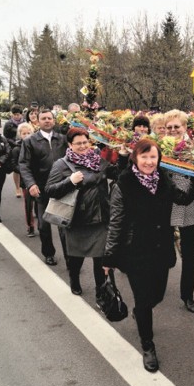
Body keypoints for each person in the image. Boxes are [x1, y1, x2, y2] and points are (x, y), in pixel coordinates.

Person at [103, 139, 194, 373]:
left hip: (161, 248)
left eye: (153, 157)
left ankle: (140, 312)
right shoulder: (123, 184)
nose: (148, 162)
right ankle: (148, 345)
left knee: (158, 295)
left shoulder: (163, 178)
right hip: (135, 251)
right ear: (135, 158)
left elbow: (182, 198)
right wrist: (109, 256)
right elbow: (116, 222)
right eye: (144, 157)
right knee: (144, 300)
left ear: (159, 159)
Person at [46, 128, 128, 298]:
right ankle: (74, 279)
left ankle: (102, 293)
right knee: (76, 259)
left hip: (101, 219)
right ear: (70, 144)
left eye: (86, 142)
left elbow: (119, 174)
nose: (83, 146)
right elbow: (50, 190)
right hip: (77, 221)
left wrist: (123, 156)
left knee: (101, 260)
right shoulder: (61, 165)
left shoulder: (97, 160)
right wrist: (70, 181)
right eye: (78, 143)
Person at [19, 109, 69, 266]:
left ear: (54, 121)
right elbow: (24, 165)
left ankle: (70, 258)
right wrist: (31, 184)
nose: (47, 120)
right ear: (38, 121)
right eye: (43, 118)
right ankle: (49, 253)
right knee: (43, 225)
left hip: (62, 187)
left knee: (64, 226)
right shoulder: (30, 141)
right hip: (41, 188)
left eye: (49, 118)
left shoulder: (63, 139)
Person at [164, 109, 194, 313]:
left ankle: (187, 295)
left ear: (184, 127)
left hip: (189, 205)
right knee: (161, 252)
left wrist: (190, 195)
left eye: (176, 126)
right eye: (169, 127)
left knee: (189, 254)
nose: (173, 130)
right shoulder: (160, 147)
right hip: (167, 205)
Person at [10, 123, 37, 237]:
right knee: (28, 204)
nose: (26, 135)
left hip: (39, 179)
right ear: (20, 135)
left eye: (28, 133)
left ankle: (42, 223)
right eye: (23, 133)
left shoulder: (37, 146)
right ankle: (30, 226)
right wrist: (24, 171)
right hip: (26, 180)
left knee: (40, 203)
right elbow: (14, 164)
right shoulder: (16, 149)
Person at [3, 105, 25, 197]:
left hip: (24, 146)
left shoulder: (25, 123)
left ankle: (24, 186)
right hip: (14, 147)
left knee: (24, 167)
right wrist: (14, 143)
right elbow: (6, 137)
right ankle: (17, 188)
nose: (16, 116)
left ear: (21, 114)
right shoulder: (8, 124)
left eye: (18, 114)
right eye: (15, 114)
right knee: (16, 168)